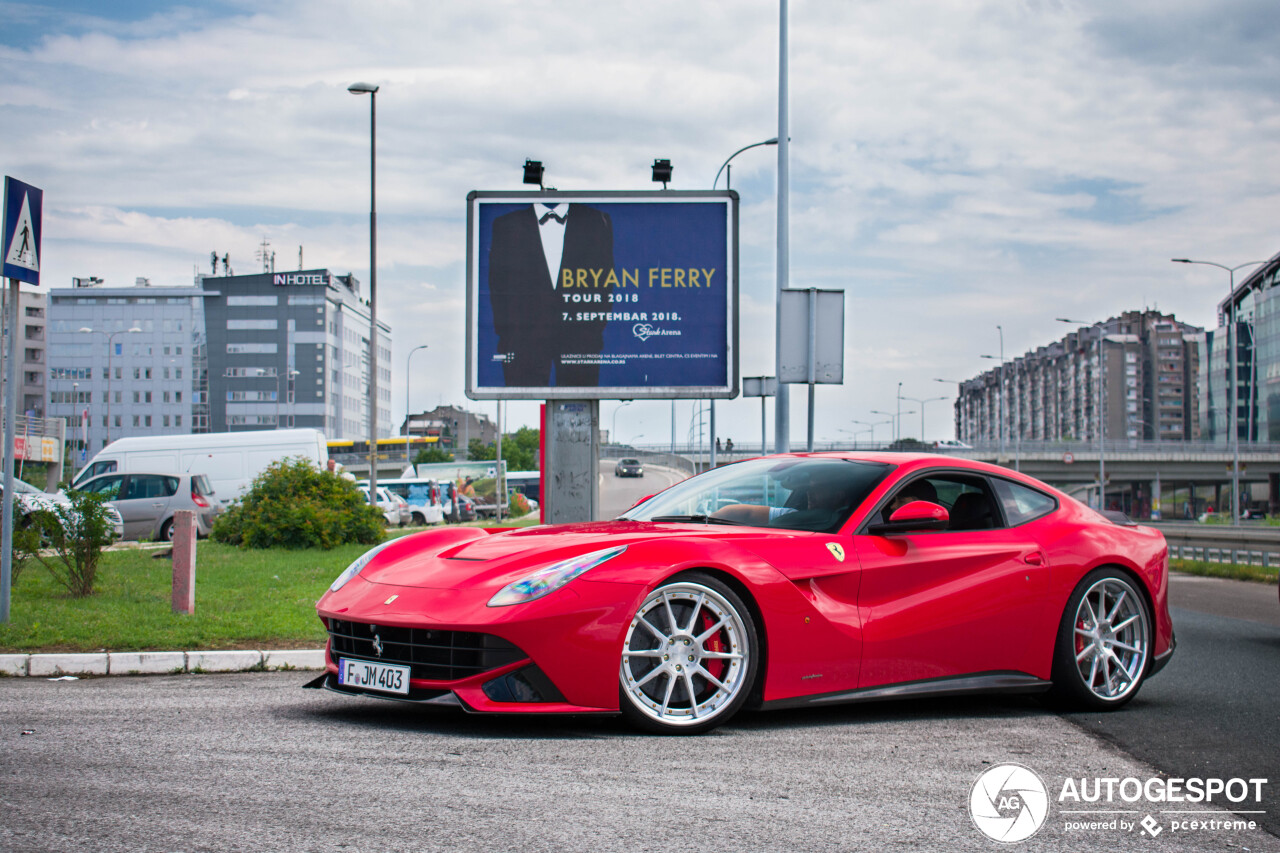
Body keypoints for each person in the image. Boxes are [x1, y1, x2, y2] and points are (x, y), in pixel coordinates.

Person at [486, 202, 613, 387]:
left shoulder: (596, 220)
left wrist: (592, 327)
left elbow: (605, 281)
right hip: (523, 340)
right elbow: (498, 284)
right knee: (525, 404)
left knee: (579, 403)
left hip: (580, 341)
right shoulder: (506, 225)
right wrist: (507, 332)